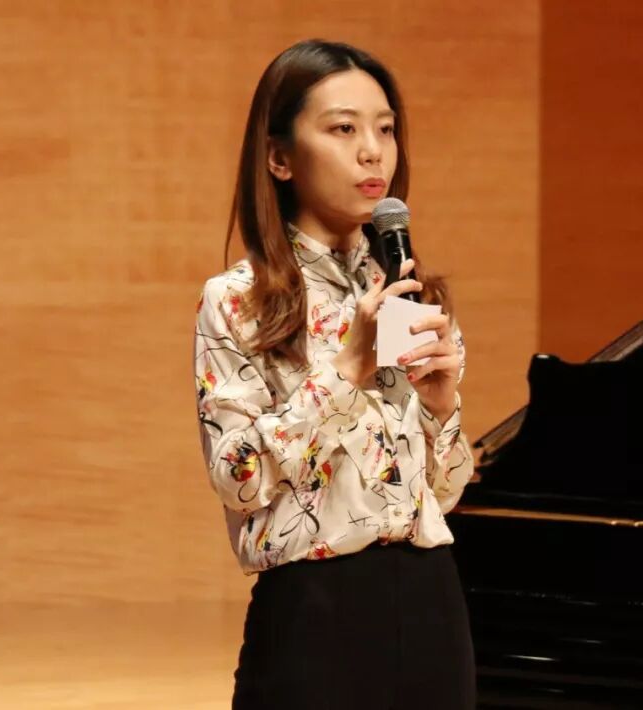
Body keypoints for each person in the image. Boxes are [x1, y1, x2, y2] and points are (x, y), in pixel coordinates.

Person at [192, 38, 476, 710]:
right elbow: (238, 479)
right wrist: (347, 369)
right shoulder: (239, 301)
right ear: (279, 157)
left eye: (385, 129)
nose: (373, 152)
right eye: (344, 129)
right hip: (315, 615)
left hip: (432, 604)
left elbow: (443, 492)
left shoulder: (409, 294)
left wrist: (442, 410)